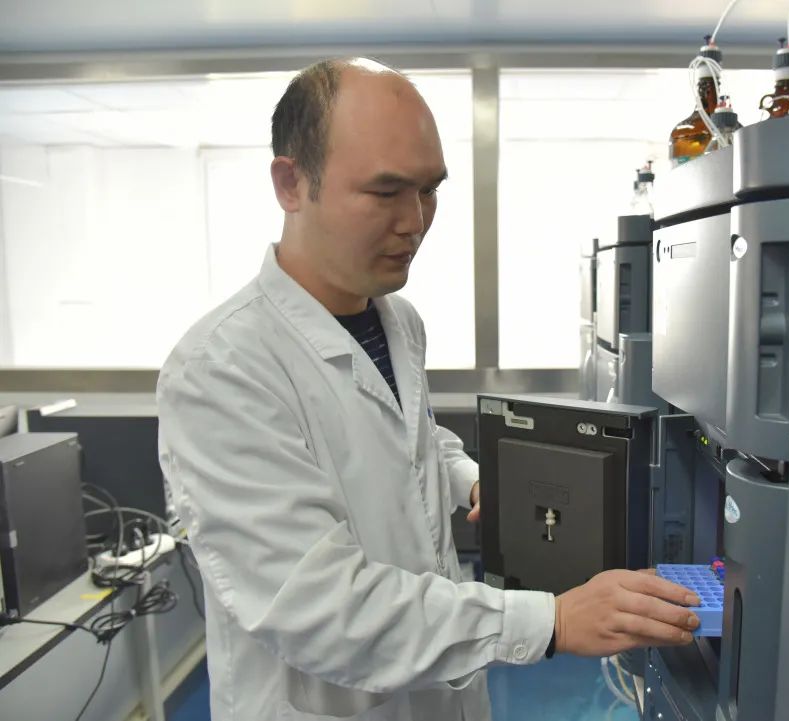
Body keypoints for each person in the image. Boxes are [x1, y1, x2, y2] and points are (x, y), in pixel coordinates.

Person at [157, 57, 700, 721]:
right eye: (386, 191)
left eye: (429, 190)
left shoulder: (395, 320)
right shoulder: (220, 370)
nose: (415, 221)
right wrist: (552, 620)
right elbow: (322, 609)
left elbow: (408, 437)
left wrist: (474, 480)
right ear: (291, 183)